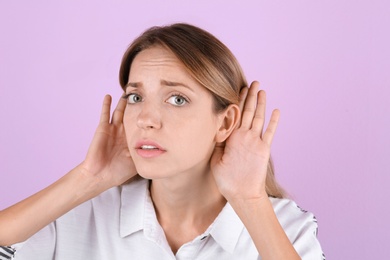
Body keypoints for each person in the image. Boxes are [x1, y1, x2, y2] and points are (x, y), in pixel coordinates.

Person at [0, 23, 324, 259]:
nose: (145, 119)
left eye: (177, 99)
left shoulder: (286, 227)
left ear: (225, 122)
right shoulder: (80, 214)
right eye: (136, 96)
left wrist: (249, 201)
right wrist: (87, 179)